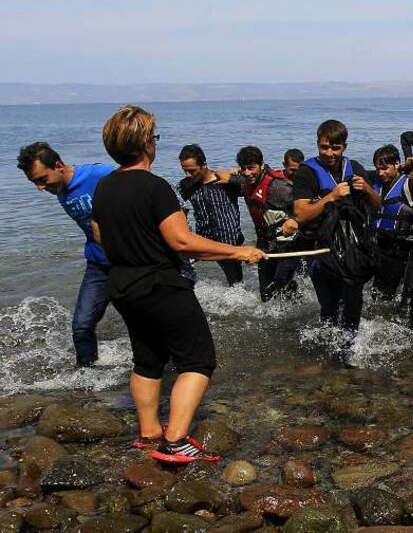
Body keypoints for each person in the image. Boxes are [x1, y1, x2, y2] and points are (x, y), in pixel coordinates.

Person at [90, 105, 263, 464]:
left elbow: (100, 235)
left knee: (147, 358)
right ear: (145, 144)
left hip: (122, 285)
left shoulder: (104, 187)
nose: (155, 143)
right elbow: (182, 242)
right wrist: (239, 251)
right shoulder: (155, 187)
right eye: (153, 137)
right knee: (198, 360)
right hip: (161, 285)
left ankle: (149, 433)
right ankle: (177, 440)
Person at [17, 143, 115, 367]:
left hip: (128, 262)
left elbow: (141, 183)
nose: (40, 188)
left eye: (42, 179)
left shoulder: (100, 173)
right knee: (81, 325)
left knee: (143, 321)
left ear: (59, 166)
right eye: (34, 183)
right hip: (98, 263)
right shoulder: (58, 188)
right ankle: (86, 381)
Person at [292, 120, 381, 344]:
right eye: (324, 147)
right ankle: (328, 353)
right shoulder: (306, 173)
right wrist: (331, 196)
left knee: (353, 303)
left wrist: (368, 189)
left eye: (335, 148)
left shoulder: (355, 168)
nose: (329, 153)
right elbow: (301, 215)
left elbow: (378, 205)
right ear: (318, 145)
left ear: (344, 147)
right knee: (329, 307)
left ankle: (349, 350)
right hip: (320, 250)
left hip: (352, 249)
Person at [233, 146, 302, 301]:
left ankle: (298, 307)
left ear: (261, 165)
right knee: (265, 294)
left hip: (288, 244)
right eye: (243, 169)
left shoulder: (278, 187)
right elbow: (225, 177)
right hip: (265, 243)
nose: (247, 173)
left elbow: (305, 206)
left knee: (280, 284)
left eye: (251, 168)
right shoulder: (245, 182)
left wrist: (295, 220)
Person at [370, 145, 413, 300]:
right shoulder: (375, 185)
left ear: (396, 164)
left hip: (404, 250)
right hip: (382, 248)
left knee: (403, 295)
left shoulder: (411, 187)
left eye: (385, 168)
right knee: (378, 296)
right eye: (377, 169)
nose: (381, 173)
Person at [176, 144, 246, 286]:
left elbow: (254, 184)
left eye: (192, 170)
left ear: (204, 165)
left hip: (228, 241)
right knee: (178, 267)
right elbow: (172, 202)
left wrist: (236, 176)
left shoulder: (225, 181)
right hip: (202, 239)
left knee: (236, 285)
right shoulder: (186, 186)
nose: (188, 175)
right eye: (185, 171)